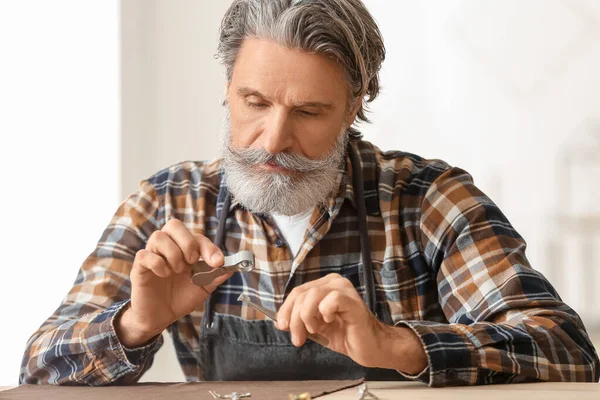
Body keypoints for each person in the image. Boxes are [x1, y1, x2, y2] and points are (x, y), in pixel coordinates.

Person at [20, 0, 599, 387]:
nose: (273, 139)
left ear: (354, 106)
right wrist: (133, 325)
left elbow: (568, 355)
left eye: (309, 111)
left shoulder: (426, 201)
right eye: (254, 102)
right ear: (227, 88)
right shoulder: (169, 203)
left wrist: (395, 345)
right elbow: (37, 374)